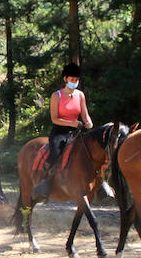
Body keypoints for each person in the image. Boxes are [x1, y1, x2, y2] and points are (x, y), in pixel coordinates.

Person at [32, 63, 94, 197]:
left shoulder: (80, 95)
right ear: (65, 79)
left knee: (92, 152)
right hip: (59, 132)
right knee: (55, 152)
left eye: (76, 80)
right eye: (72, 80)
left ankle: (99, 183)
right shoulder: (57, 95)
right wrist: (73, 123)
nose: (75, 82)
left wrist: (89, 122)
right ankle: (45, 180)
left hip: (77, 132)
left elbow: (85, 114)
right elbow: (54, 119)